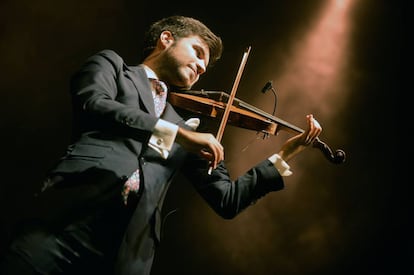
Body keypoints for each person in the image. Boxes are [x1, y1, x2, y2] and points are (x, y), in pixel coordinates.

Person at [0, 15, 322, 275]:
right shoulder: (114, 68)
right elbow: (95, 104)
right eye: (197, 52)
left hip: (128, 254)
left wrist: (284, 154)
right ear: (166, 39)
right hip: (63, 224)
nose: (201, 67)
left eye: (205, 67)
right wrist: (177, 134)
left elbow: (227, 199)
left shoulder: (187, 125)